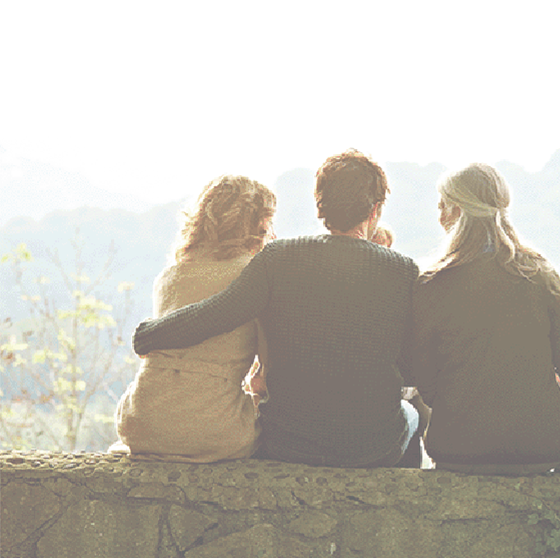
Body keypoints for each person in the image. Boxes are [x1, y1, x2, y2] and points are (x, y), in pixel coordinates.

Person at [132, 149, 422, 468]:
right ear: (376, 210)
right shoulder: (403, 271)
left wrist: (148, 335)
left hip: (287, 442)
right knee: (410, 414)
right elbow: (412, 365)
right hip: (371, 446)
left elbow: (215, 314)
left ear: (319, 206)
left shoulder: (278, 259)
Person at [408, 163, 560, 474]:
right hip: (541, 447)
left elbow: (422, 374)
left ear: (457, 211)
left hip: (458, 447)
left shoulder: (432, 283)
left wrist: (458, 407)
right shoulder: (540, 274)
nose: (439, 216)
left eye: (442, 205)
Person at [113, 175, 275, 462]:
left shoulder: (169, 276)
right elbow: (266, 372)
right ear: (255, 223)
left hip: (141, 422)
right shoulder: (254, 276)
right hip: (214, 430)